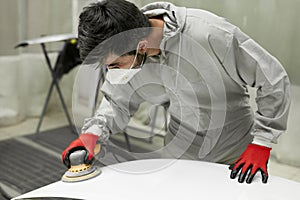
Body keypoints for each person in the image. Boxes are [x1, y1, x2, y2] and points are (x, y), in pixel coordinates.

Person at [62, 0, 291, 184]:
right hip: (179, 152)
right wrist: (92, 133)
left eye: (115, 65)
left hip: (235, 150)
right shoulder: (130, 50)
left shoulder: (209, 34)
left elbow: (272, 79)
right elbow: (116, 101)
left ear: (141, 46)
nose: (113, 72)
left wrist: (262, 142)